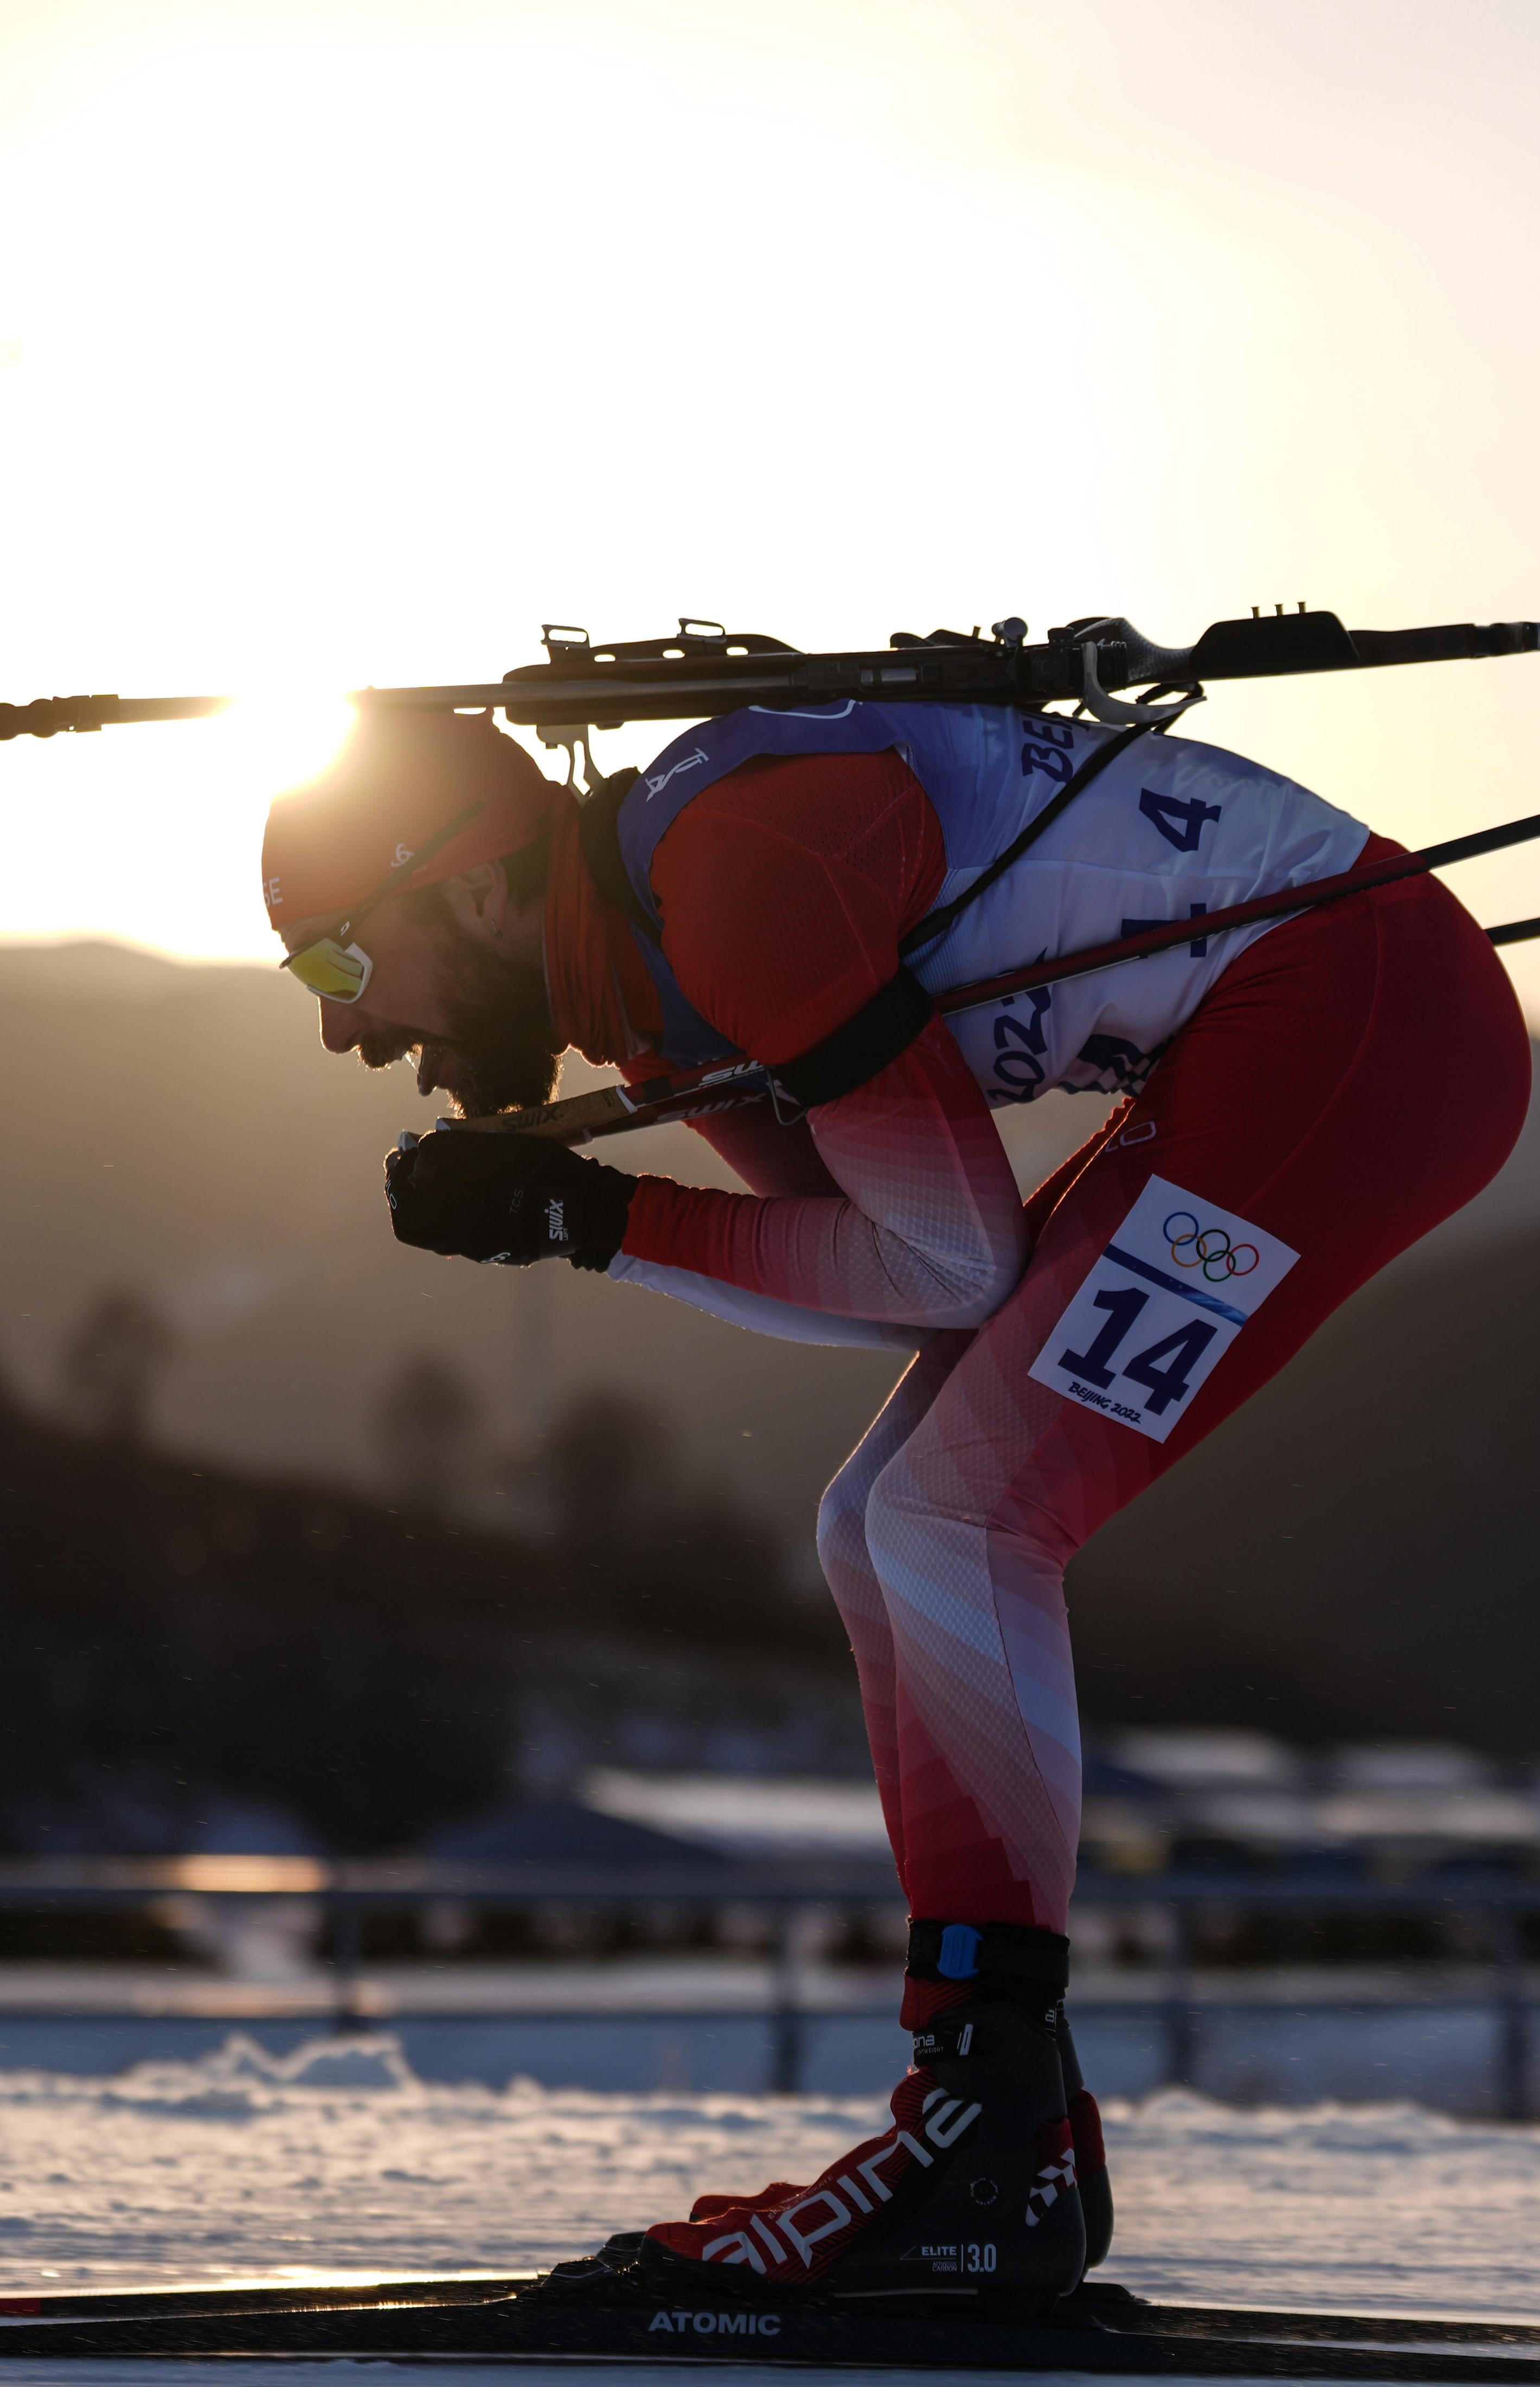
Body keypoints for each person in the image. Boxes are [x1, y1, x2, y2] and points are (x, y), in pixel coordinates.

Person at [260, 696, 1529, 2307]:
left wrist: (591, 1220)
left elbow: (948, 1261)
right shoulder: (662, 979)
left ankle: (985, 2133)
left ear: (482, 887)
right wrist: (586, 1217)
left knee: (960, 1518)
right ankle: (998, 2126)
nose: (339, 1033)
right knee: (878, 1518)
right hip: (1300, 1023)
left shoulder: (736, 895)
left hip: (1360, 1033)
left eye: (337, 965)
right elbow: (905, 1274)